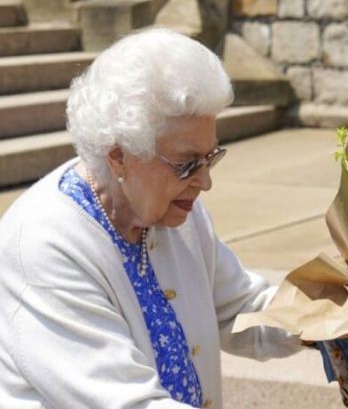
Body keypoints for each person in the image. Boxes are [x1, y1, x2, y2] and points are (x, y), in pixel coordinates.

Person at [0, 28, 299, 408]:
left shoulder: (170, 210)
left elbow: (243, 311)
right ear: (119, 156)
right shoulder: (43, 246)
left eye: (211, 158)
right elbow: (126, 402)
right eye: (187, 163)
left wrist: (339, 308)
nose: (204, 182)